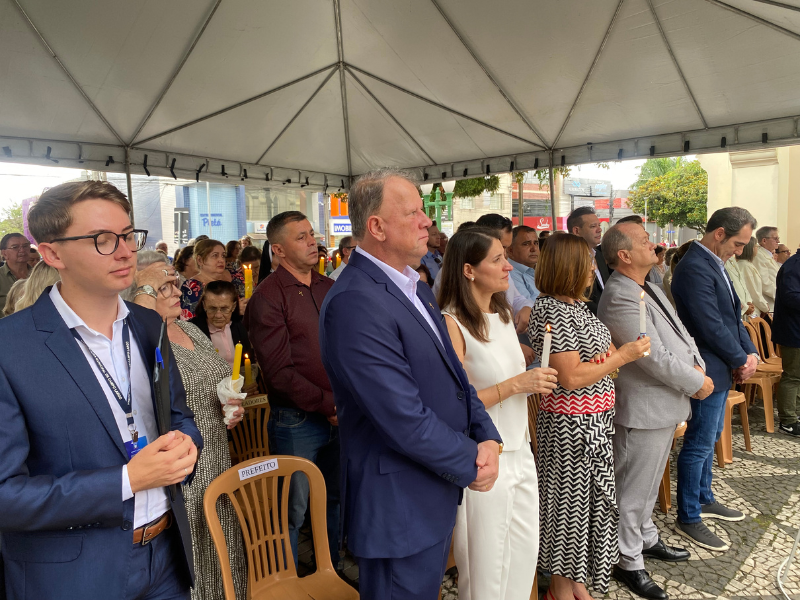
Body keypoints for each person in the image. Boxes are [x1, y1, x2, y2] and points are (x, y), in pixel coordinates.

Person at [0, 180, 202, 599]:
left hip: (166, 555)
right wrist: (127, 480)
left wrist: (186, 445)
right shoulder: (11, 348)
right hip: (76, 575)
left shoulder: (148, 325)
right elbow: (6, 496)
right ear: (53, 254)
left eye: (127, 235)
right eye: (102, 240)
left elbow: (179, 416)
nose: (126, 251)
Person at [319, 169, 501, 600]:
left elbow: (455, 377)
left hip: (429, 488)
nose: (426, 221)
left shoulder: (414, 287)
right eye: (413, 213)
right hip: (398, 503)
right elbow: (402, 417)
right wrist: (472, 459)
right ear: (377, 227)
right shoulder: (355, 301)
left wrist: (487, 436)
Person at [528, 232, 650, 600]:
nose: (593, 269)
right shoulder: (551, 309)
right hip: (570, 427)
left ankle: (576, 581)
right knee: (569, 509)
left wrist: (607, 361)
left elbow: (601, 357)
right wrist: (620, 357)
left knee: (592, 507)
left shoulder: (578, 307)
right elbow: (571, 376)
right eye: (587, 263)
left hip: (594, 421)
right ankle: (560, 589)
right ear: (568, 267)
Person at [439, 227, 557, 600]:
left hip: (520, 450)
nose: (509, 266)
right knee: (486, 568)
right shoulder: (451, 323)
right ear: (469, 270)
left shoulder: (503, 315)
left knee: (522, 555)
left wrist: (531, 380)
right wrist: (517, 385)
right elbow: (454, 402)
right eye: (498, 259)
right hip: (484, 455)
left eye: (506, 257)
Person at [599, 223, 713, 600]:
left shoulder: (647, 284)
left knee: (647, 485)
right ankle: (627, 559)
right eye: (645, 241)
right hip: (643, 407)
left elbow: (680, 333)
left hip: (662, 404)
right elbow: (651, 356)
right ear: (624, 255)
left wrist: (697, 366)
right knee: (632, 491)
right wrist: (695, 381)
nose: (654, 245)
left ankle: (645, 538)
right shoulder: (620, 294)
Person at [130, 251, 247, 600]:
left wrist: (229, 403)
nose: (178, 292)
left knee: (222, 542)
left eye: (175, 284)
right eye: (164, 287)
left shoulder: (188, 328)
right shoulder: (142, 339)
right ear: (140, 294)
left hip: (217, 453)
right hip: (184, 464)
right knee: (194, 547)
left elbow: (216, 380)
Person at [244, 211, 340, 569]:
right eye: (301, 237)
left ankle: (330, 570)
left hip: (339, 413)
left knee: (334, 498)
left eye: (311, 234)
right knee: (292, 508)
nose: (312, 241)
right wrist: (329, 404)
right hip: (297, 420)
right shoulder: (268, 297)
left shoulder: (328, 287)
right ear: (279, 249)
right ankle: (284, 579)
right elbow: (279, 373)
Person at [671, 207, 759, 552]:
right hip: (707, 366)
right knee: (698, 443)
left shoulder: (715, 263)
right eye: (738, 243)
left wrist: (750, 354)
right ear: (719, 233)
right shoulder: (695, 265)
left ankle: (704, 498)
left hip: (721, 366)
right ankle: (689, 515)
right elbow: (709, 324)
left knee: (709, 440)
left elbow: (733, 318)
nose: (740, 251)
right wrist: (740, 359)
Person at [189, 280, 253, 374]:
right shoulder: (192, 330)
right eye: (212, 308)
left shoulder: (239, 327)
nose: (218, 315)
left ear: (233, 307)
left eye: (224, 309)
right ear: (204, 305)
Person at [180, 239, 243, 319]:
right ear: (200, 260)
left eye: (223, 256)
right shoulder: (191, 287)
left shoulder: (236, 276)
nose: (221, 260)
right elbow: (190, 322)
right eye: (215, 255)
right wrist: (235, 311)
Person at [774, 247, 800, 436]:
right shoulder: (794, 266)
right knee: (792, 376)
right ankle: (788, 421)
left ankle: (795, 415)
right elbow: (791, 297)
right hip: (794, 331)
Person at [567, 206, 611, 314]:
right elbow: (579, 298)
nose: (599, 229)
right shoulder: (569, 259)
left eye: (599, 225)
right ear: (577, 231)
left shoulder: (599, 255)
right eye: (593, 226)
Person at [0, 233, 32, 316]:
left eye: (25, 246)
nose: (22, 250)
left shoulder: (39, 274)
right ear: (4, 253)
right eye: (15, 247)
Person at [737, 237, 770, 317]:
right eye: (756, 246)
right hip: (752, 311)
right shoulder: (745, 266)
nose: (757, 249)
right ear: (750, 248)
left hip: (756, 309)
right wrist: (765, 307)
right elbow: (753, 292)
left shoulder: (748, 265)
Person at [508, 225, 540, 302]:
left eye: (536, 243)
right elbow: (530, 307)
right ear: (510, 250)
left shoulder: (538, 270)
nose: (534, 249)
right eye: (526, 244)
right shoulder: (509, 274)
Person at [754, 226, 780, 312]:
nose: (778, 241)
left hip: (775, 302)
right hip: (768, 305)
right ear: (764, 240)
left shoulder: (768, 255)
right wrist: (781, 296)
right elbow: (765, 283)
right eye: (775, 238)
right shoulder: (758, 256)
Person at [725, 254, 756, 319]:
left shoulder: (732, 259)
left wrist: (748, 301)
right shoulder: (723, 262)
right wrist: (745, 307)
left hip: (745, 306)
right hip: (737, 308)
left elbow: (742, 283)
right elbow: (730, 289)